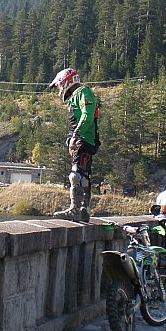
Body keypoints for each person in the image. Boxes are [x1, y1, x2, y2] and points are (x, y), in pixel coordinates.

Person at [48, 67, 100, 222]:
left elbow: (87, 115)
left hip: (84, 139)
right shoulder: (77, 96)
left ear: (66, 82)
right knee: (83, 175)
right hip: (84, 140)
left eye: (59, 85)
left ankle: (75, 210)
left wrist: (75, 135)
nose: (59, 89)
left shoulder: (83, 92)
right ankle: (84, 210)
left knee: (75, 175)